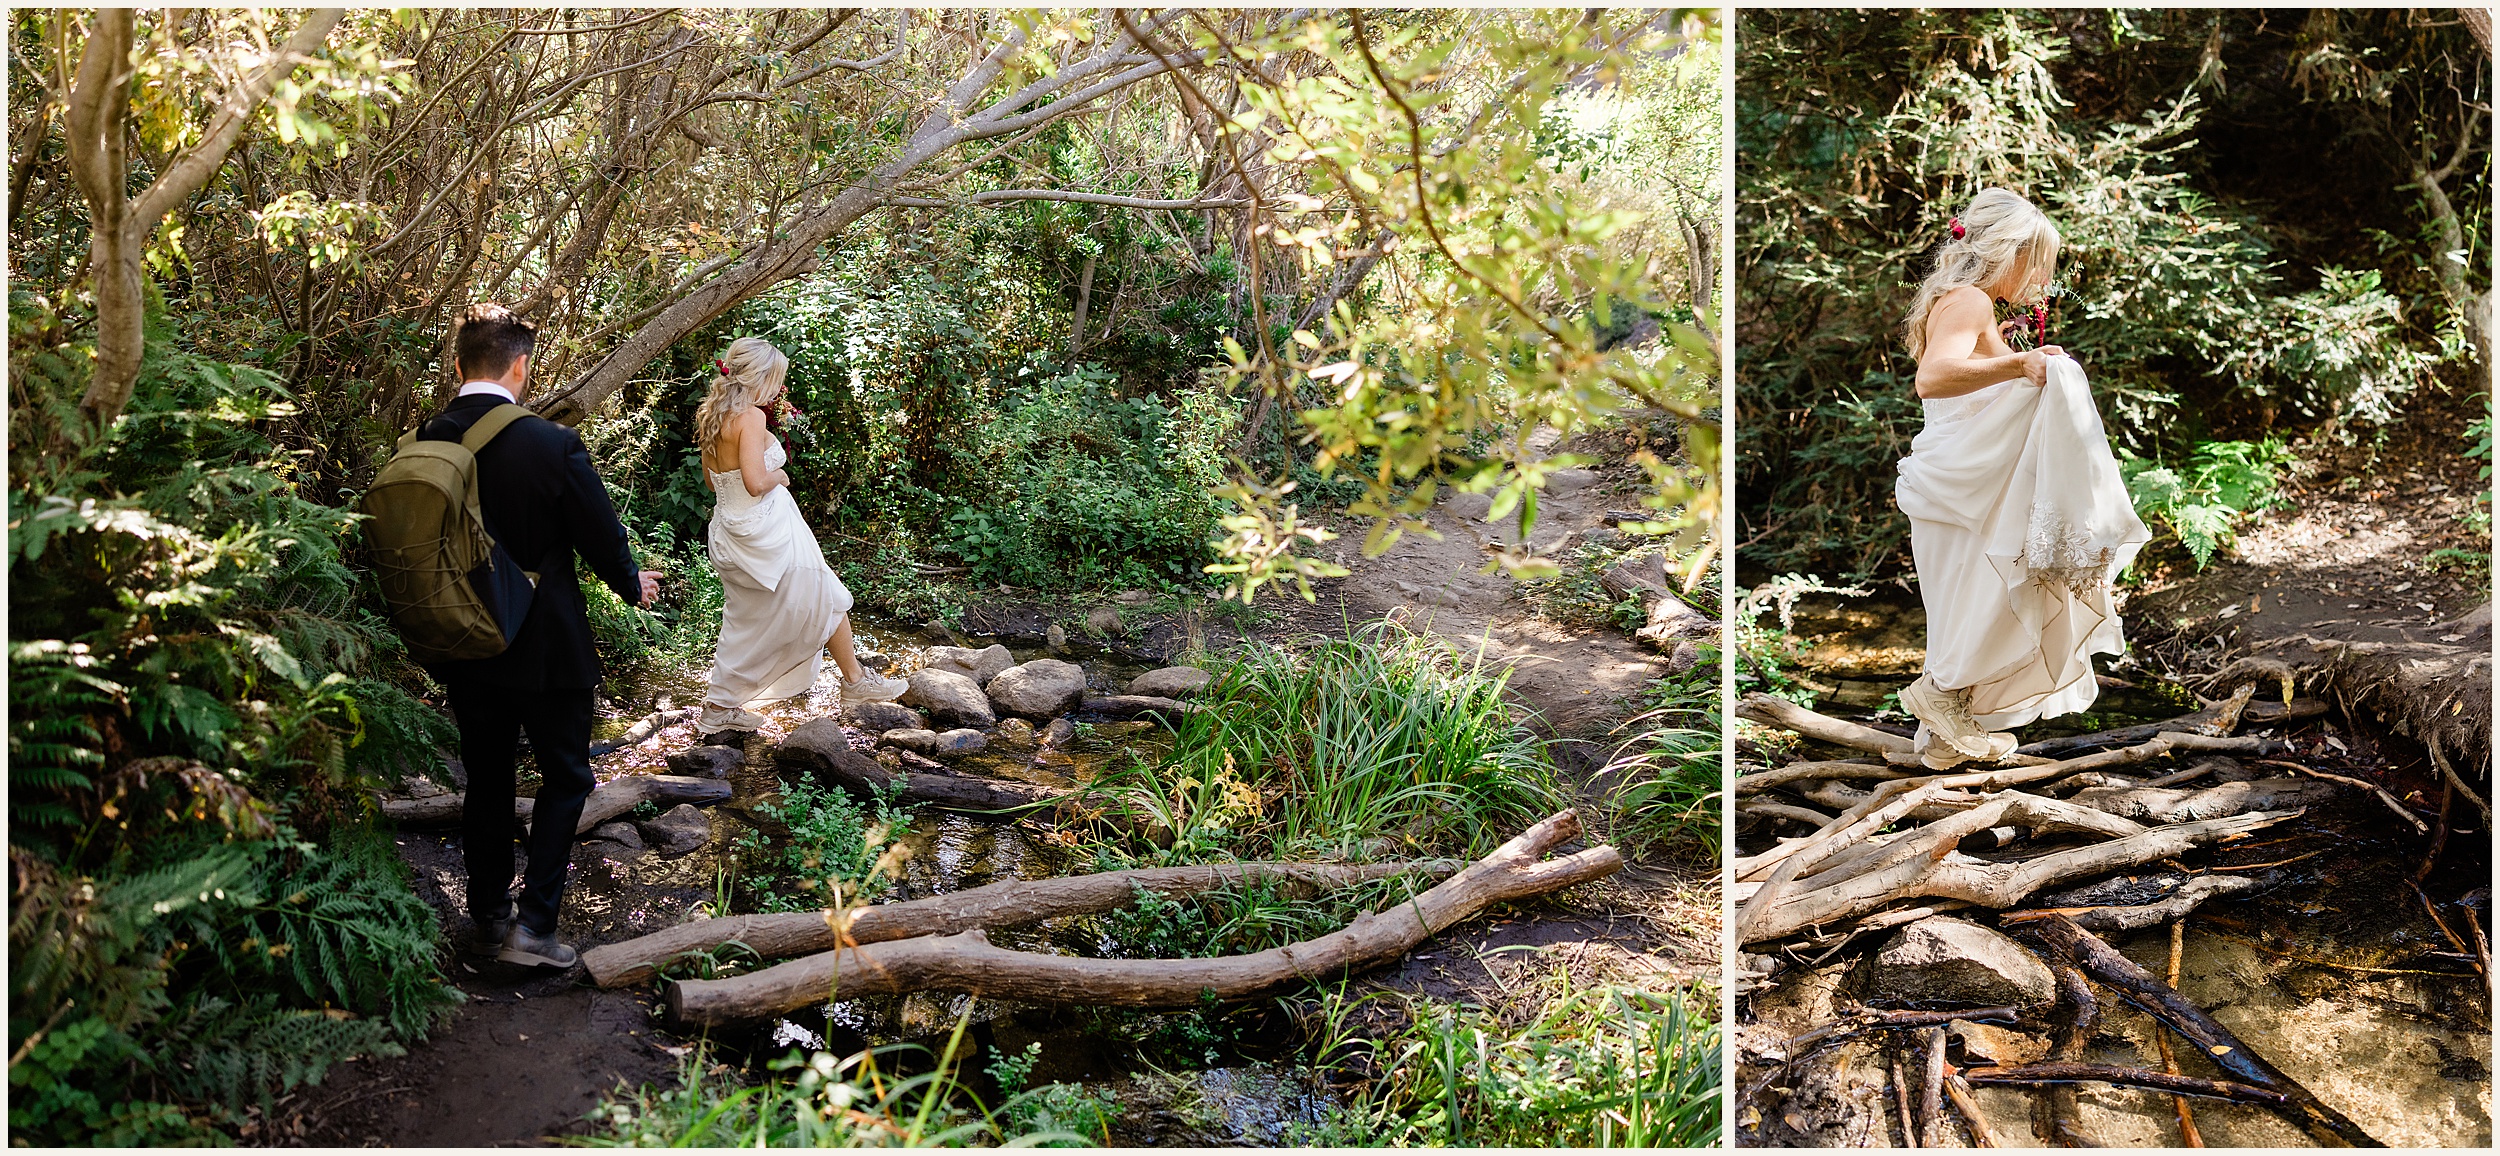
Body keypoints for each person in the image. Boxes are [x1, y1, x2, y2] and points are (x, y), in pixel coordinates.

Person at [418, 304, 664, 968]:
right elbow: (599, 536)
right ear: (520, 367)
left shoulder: (430, 437)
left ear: (459, 365)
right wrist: (629, 582)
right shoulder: (550, 443)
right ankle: (533, 929)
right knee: (565, 778)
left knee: (488, 780)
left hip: (465, 644)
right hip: (547, 647)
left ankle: (488, 922)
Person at [1893, 188, 2152, 769]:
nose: (2039, 275)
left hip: (1967, 482)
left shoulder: (1968, 302)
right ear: (2005, 253)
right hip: (1963, 485)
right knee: (1979, 600)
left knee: (1971, 601)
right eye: (2035, 261)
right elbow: (1933, 380)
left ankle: (1943, 740)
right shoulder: (1969, 301)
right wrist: (2018, 363)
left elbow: (1976, 386)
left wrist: (2028, 365)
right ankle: (1943, 709)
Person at [695, 336, 905, 743]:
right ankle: (855, 683)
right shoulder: (750, 417)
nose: (777, 390)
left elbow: (711, 482)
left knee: (747, 621)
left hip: (728, 531)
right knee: (822, 593)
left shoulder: (712, 414)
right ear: (758, 377)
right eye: (775, 380)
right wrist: (781, 476)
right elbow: (756, 482)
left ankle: (719, 708)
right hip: (763, 532)